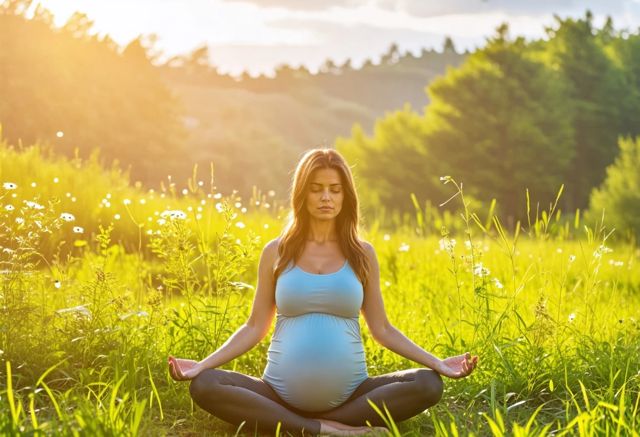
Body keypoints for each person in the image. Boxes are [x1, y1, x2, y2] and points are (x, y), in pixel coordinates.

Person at [168, 148, 479, 436]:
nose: (325, 197)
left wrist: (437, 362)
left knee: (427, 384)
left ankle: (316, 424)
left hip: (351, 397)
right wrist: (202, 365)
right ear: (302, 194)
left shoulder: (362, 254)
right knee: (206, 384)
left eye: (335, 189)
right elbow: (254, 327)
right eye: (316, 188)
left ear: (346, 196)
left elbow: (382, 328)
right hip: (277, 396)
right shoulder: (276, 252)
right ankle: (325, 429)